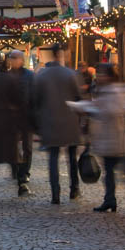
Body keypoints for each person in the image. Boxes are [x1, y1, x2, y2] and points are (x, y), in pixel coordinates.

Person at [84, 65, 125, 214]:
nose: (99, 77)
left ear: (109, 76)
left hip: (118, 139)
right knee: (108, 173)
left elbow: (114, 110)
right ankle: (110, 200)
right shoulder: (103, 91)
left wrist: (93, 109)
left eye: (102, 74)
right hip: (107, 139)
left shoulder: (116, 91)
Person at [32, 43, 82, 204]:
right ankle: (74, 189)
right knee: (72, 157)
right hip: (69, 121)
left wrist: (38, 121)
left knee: (53, 158)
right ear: (60, 55)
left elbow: (35, 100)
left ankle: (55, 193)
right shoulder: (70, 74)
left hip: (50, 121)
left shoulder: (42, 75)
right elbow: (79, 98)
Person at [0, 56, 29, 201]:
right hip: (9, 122)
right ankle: (21, 184)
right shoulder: (11, 80)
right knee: (13, 155)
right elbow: (18, 100)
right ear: (8, 67)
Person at [7, 50, 35, 190]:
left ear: (22, 60)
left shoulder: (29, 76)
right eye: (11, 58)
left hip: (27, 116)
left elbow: (35, 95)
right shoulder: (6, 76)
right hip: (11, 118)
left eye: (15, 58)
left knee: (27, 147)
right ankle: (17, 169)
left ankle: (24, 172)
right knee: (12, 146)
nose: (13, 60)